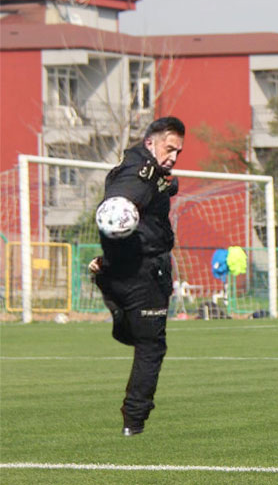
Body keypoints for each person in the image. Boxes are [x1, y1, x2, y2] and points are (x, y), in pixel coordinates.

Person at [87, 116, 185, 436]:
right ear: (150, 143)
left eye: (178, 152)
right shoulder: (138, 175)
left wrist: (170, 186)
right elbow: (122, 200)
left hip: (128, 268)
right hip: (145, 272)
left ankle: (115, 298)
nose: (173, 156)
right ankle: (135, 422)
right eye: (169, 148)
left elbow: (158, 185)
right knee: (151, 346)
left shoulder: (146, 167)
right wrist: (119, 210)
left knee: (140, 333)